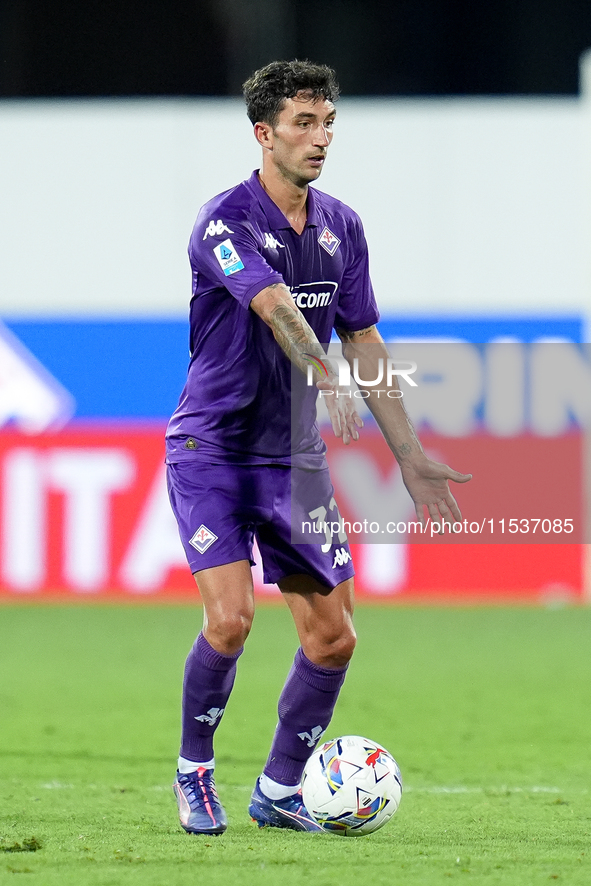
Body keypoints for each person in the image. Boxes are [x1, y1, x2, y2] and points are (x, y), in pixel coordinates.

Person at [166, 59, 471, 836]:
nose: (320, 138)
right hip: (213, 451)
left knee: (333, 636)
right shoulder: (222, 223)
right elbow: (271, 303)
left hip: (295, 464)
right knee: (230, 621)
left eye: (328, 122)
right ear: (263, 133)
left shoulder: (342, 226)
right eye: (303, 123)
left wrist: (405, 451)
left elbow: (364, 341)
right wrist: (319, 367)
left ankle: (276, 788)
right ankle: (194, 772)